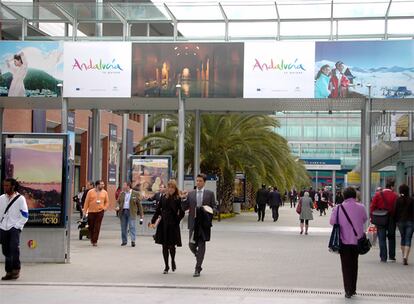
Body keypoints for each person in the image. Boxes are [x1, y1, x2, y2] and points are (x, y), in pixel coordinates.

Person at [330, 187, 367, 299]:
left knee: (346, 266)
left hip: (343, 241)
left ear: (344, 196)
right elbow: (365, 219)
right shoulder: (361, 207)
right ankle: (353, 288)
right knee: (354, 264)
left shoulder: (338, 208)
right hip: (357, 241)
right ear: (354, 196)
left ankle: (348, 290)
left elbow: (332, 222)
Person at [181, 173, 216, 277]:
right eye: (197, 181)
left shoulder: (210, 194)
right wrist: (183, 199)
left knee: (201, 245)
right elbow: (184, 208)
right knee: (191, 244)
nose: (198, 182)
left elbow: (214, 207)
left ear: (204, 182)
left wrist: (209, 210)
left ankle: (198, 267)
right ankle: (198, 255)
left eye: (200, 181)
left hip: (204, 224)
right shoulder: (191, 194)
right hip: (193, 223)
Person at [149, 180, 185, 274]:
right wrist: (153, 220)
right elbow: (158, 210)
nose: (170, 189)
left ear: (175, 188)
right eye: (169, 187)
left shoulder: (177, 198)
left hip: (173, 225)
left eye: (172, 187)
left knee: (172, 246)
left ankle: (173, 260)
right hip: (163, 224)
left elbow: (182, 212)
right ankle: (166, 266)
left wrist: (177, 220)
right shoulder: (163, 197)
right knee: (164, 246)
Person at [0, 178, 28, 280]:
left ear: (13, 186)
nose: (5, 187)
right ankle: (9, 272)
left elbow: (25, 215)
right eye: (4, 185)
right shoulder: (1, 198)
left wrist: (17, 226)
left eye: (7, 185)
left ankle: (16, 270)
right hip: (3, 227)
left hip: (14, 227)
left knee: (14, 249)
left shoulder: (20, 199)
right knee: (6, 251)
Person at [370, 179, 398, 262]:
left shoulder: (378, 194)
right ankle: (392, 256)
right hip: (391, 219)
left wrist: (372, 217)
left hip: (380, 218)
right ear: (392, 187)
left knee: (381, 238)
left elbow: (372, 207)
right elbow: (396, 208)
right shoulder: (395, 196)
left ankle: (383, 257)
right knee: (391, 237)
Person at [116, 182, 143, 247]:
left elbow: (139, 205)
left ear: (128, 186)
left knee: (132, 226)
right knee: (123, 227)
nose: (123, 186)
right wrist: (117, 206)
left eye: (124, 185)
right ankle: (124, 241)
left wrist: (141, 216)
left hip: (131, 212)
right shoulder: (122, 193)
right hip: (123, 212)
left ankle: (133, 241)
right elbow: (118, 202)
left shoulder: (135, 193)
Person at [83, 180, 109, 247]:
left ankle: (95, 241)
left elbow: (107, 202)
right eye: (101, 184)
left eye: (103, 184)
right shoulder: (90, 192)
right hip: (91, 212)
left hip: (100, 212)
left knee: (97, 227)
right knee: (91, 226)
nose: (103, 185)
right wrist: (84, 212)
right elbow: (86, 202)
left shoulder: (105, 192)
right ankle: (92, 238)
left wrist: (104, 208)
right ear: (97, 185)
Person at [394, 184, 414, 265]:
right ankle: (406, 256)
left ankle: (403, 257)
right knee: (408, 239)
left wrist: (396, 220)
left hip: (400, 221)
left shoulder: (398, 200)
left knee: (403, 238)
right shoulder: (412, 200)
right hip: (410, 221)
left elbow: (395, 211)